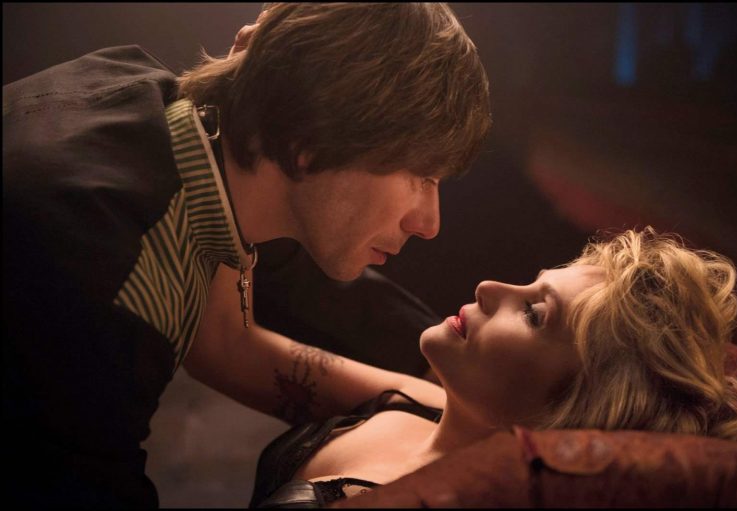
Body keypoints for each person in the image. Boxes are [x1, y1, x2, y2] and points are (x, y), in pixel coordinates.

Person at [2, 3, 491, 507]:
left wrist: (455, 407)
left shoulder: (141, 94)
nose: (428, 223)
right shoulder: (102, 267)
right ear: (311, 136)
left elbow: (225, 342)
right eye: (421, 176)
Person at [246, 227, 737, 508]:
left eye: (535, 314)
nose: (489, 287)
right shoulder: (426, 401)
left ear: (573, 407)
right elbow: (233, 348)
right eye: (530, 283)